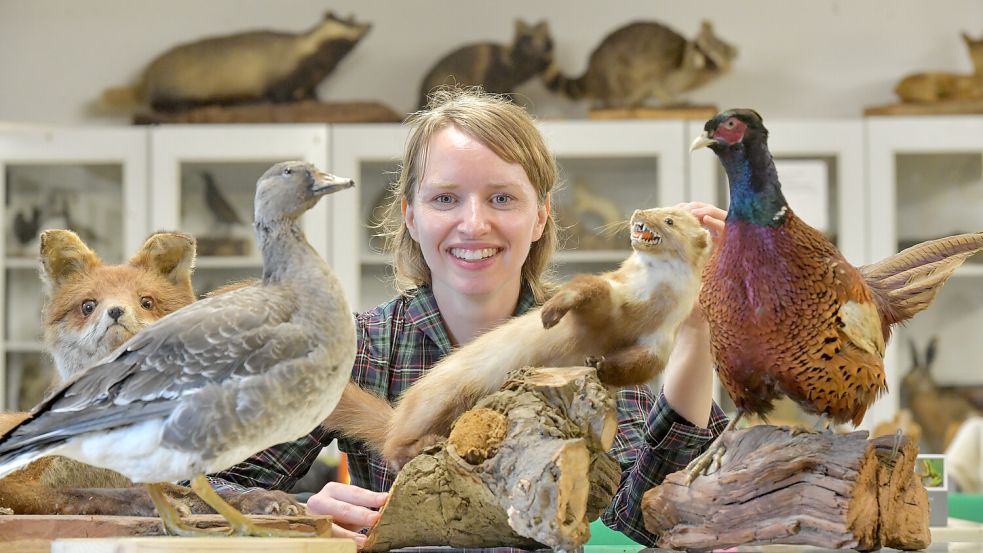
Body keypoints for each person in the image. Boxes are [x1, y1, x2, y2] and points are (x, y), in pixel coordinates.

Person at [209, 87, 729, 548]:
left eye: (501, 197)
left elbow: (649, 518)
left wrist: (696, 328)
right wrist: (296, 516)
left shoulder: (596, 334)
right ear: (411, 217)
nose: (473, 224)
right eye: (445, 199)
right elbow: (206, 487)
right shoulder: (362, 345)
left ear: (540, 215)